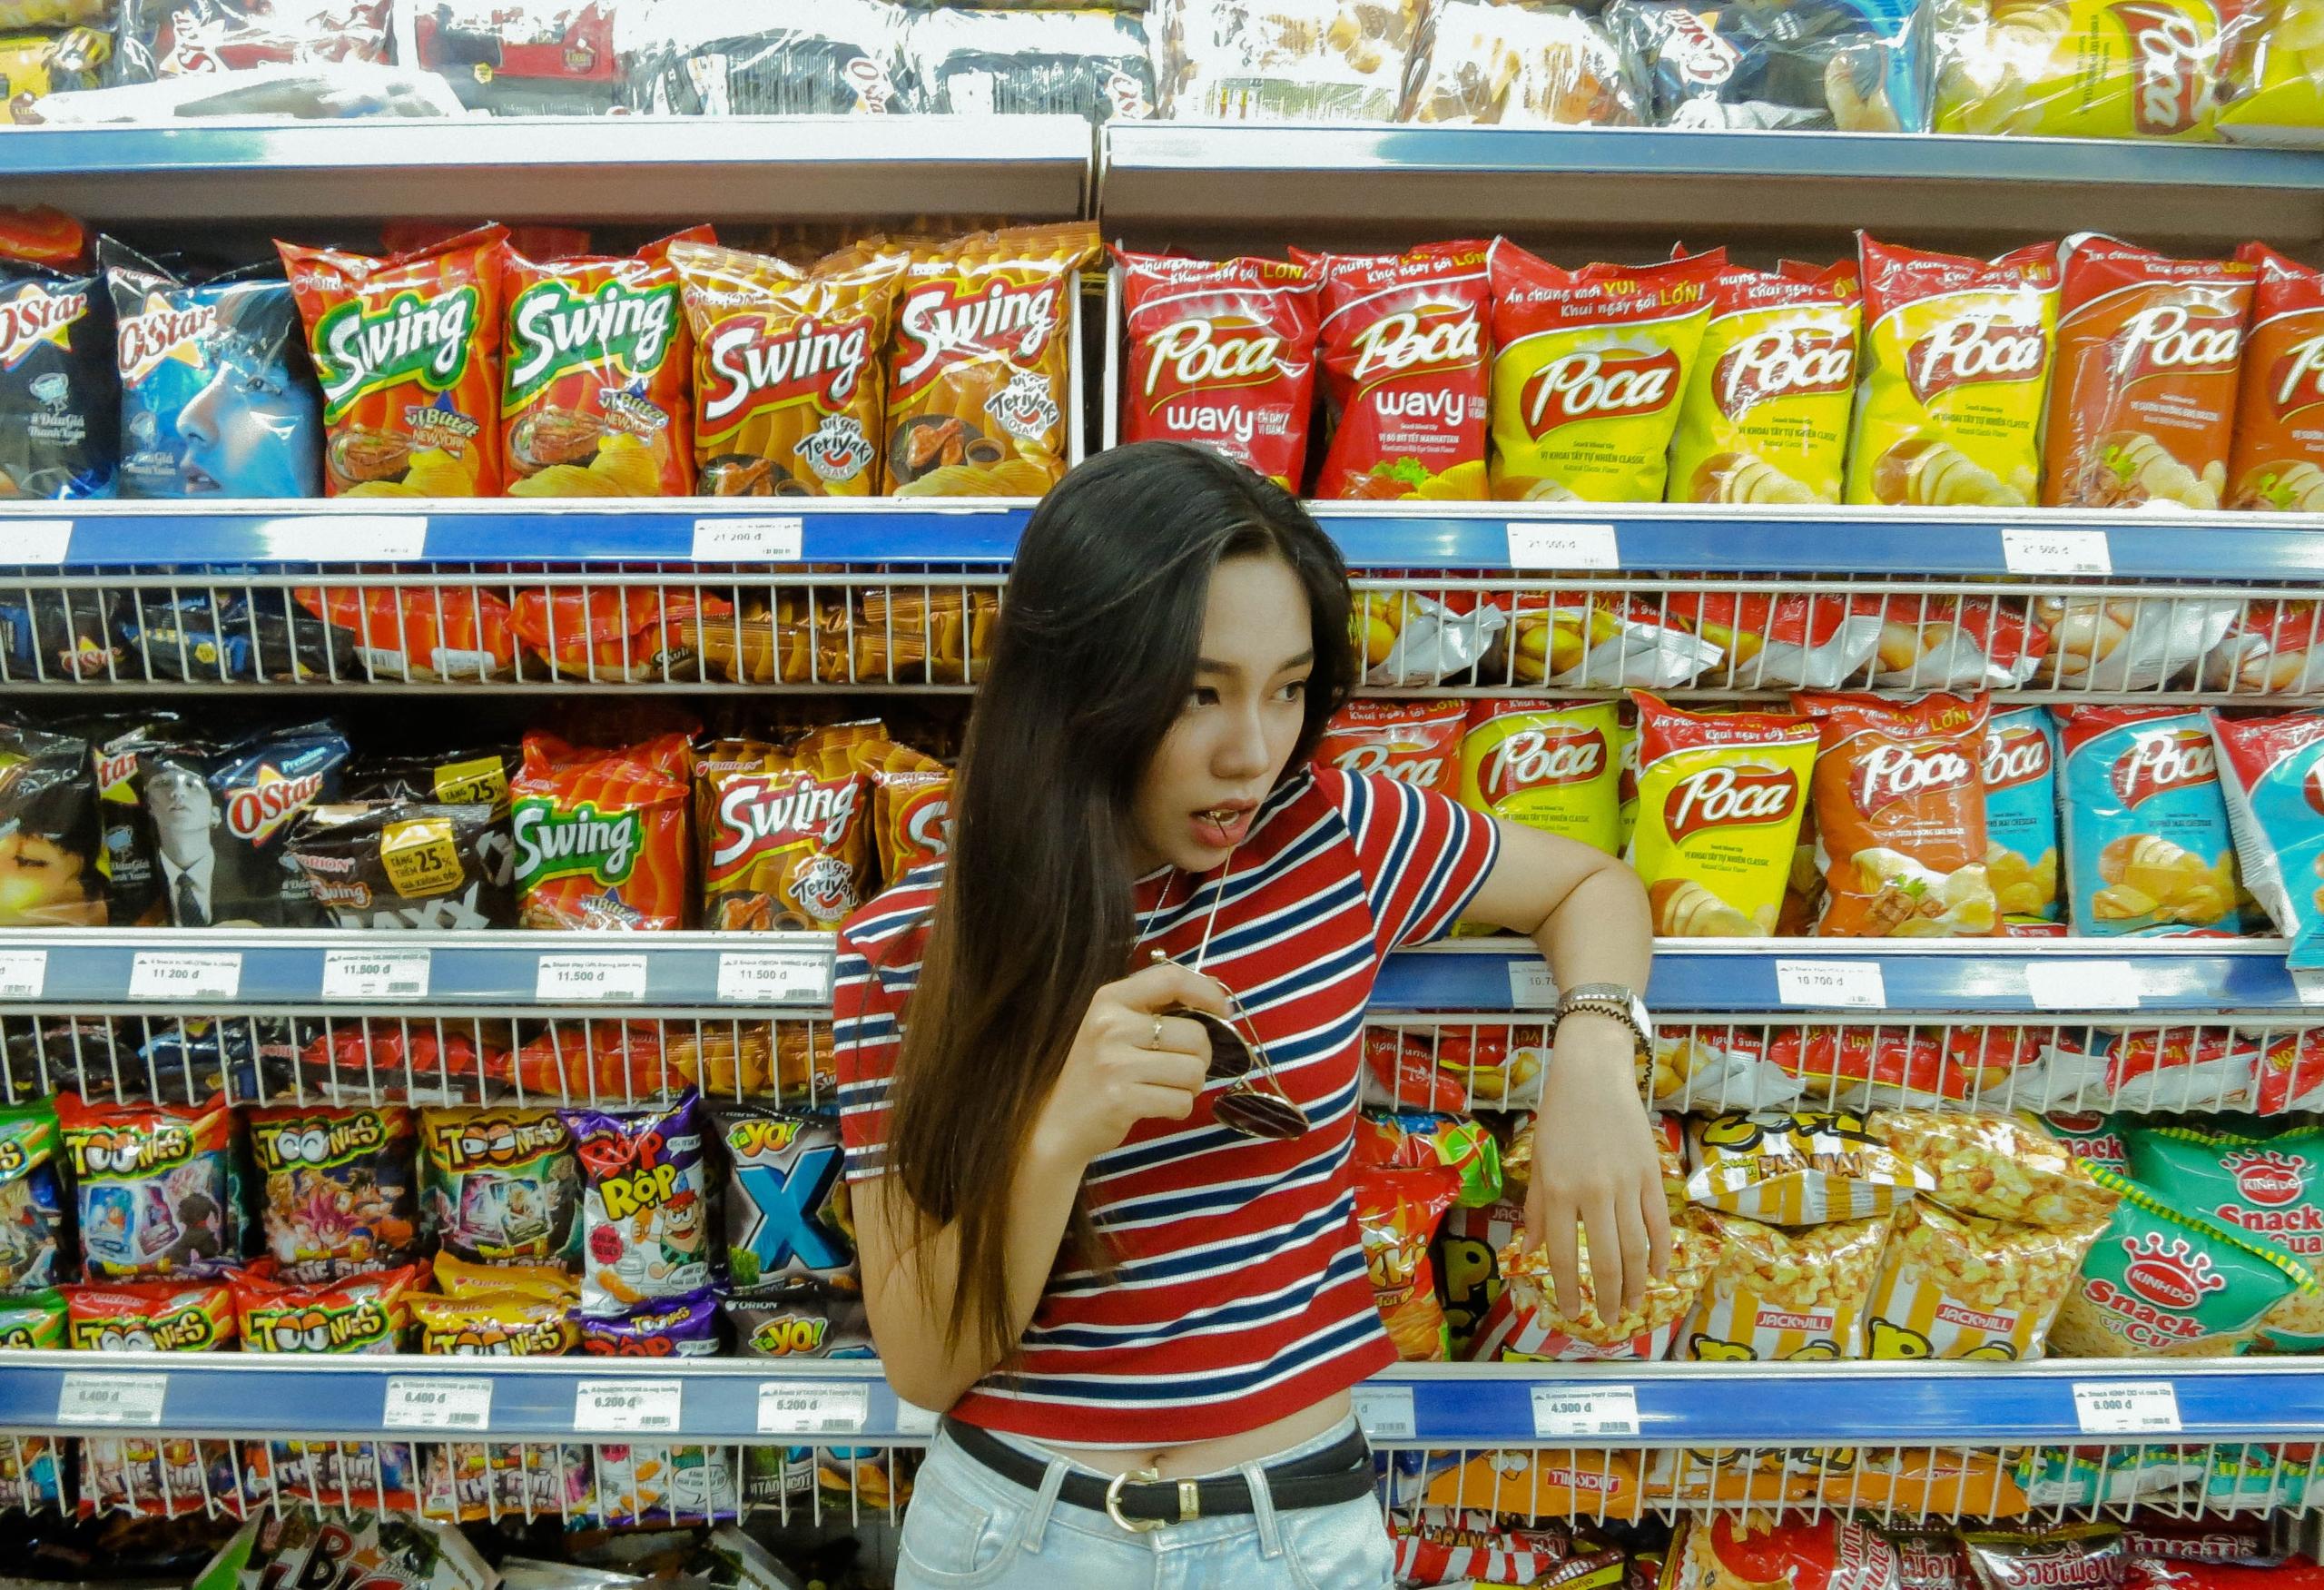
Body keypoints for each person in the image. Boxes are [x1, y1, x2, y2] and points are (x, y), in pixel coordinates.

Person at [835, 443, 1669, 1589]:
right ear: (1075, 681)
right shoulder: (909, 946)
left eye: (1287, 688)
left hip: (1294, 1530)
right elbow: (926, 1362)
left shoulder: (1337, 834)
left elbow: (1593, 885)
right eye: (1199, 692)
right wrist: (1058, 1133)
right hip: (1015, 1531)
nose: (1252, 750)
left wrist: (1593, 1054)